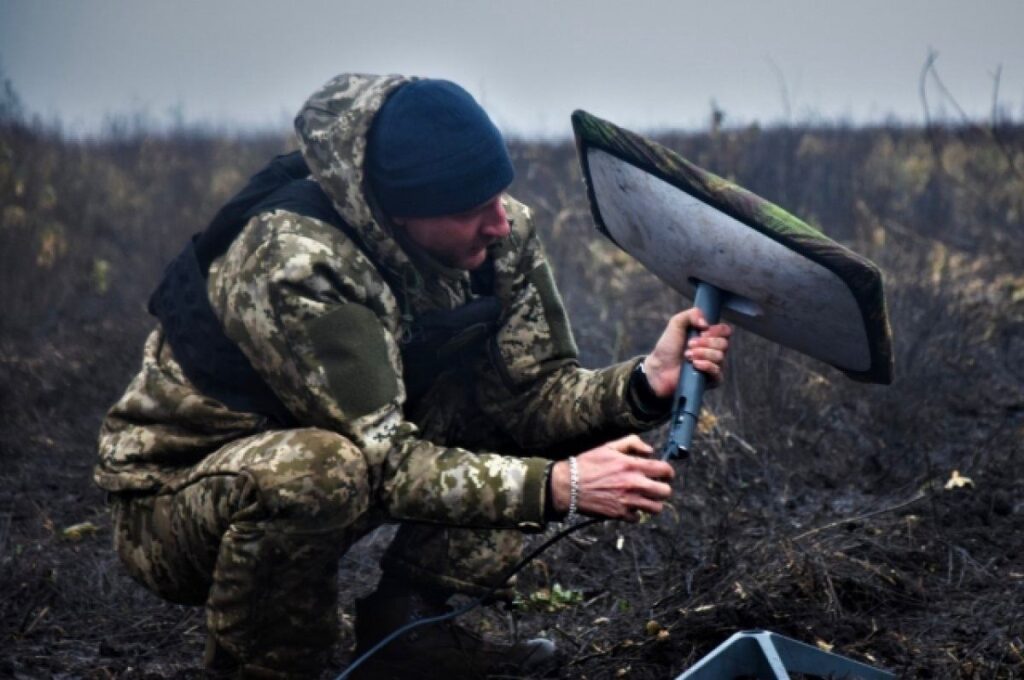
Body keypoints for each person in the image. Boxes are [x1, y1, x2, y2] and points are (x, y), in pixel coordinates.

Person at [96, 73, 732, 679]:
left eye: (498, 197)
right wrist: (561, 486)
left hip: (343, 461)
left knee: (493, 408)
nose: (500, 223)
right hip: (177, 502)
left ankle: (419, 637)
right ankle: (266, 668)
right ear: (398, 210)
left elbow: (535, 397)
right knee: (319, 469)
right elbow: (385, 465)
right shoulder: (296, 261)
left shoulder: (499, 238)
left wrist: (645, 381)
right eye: (470, 208)